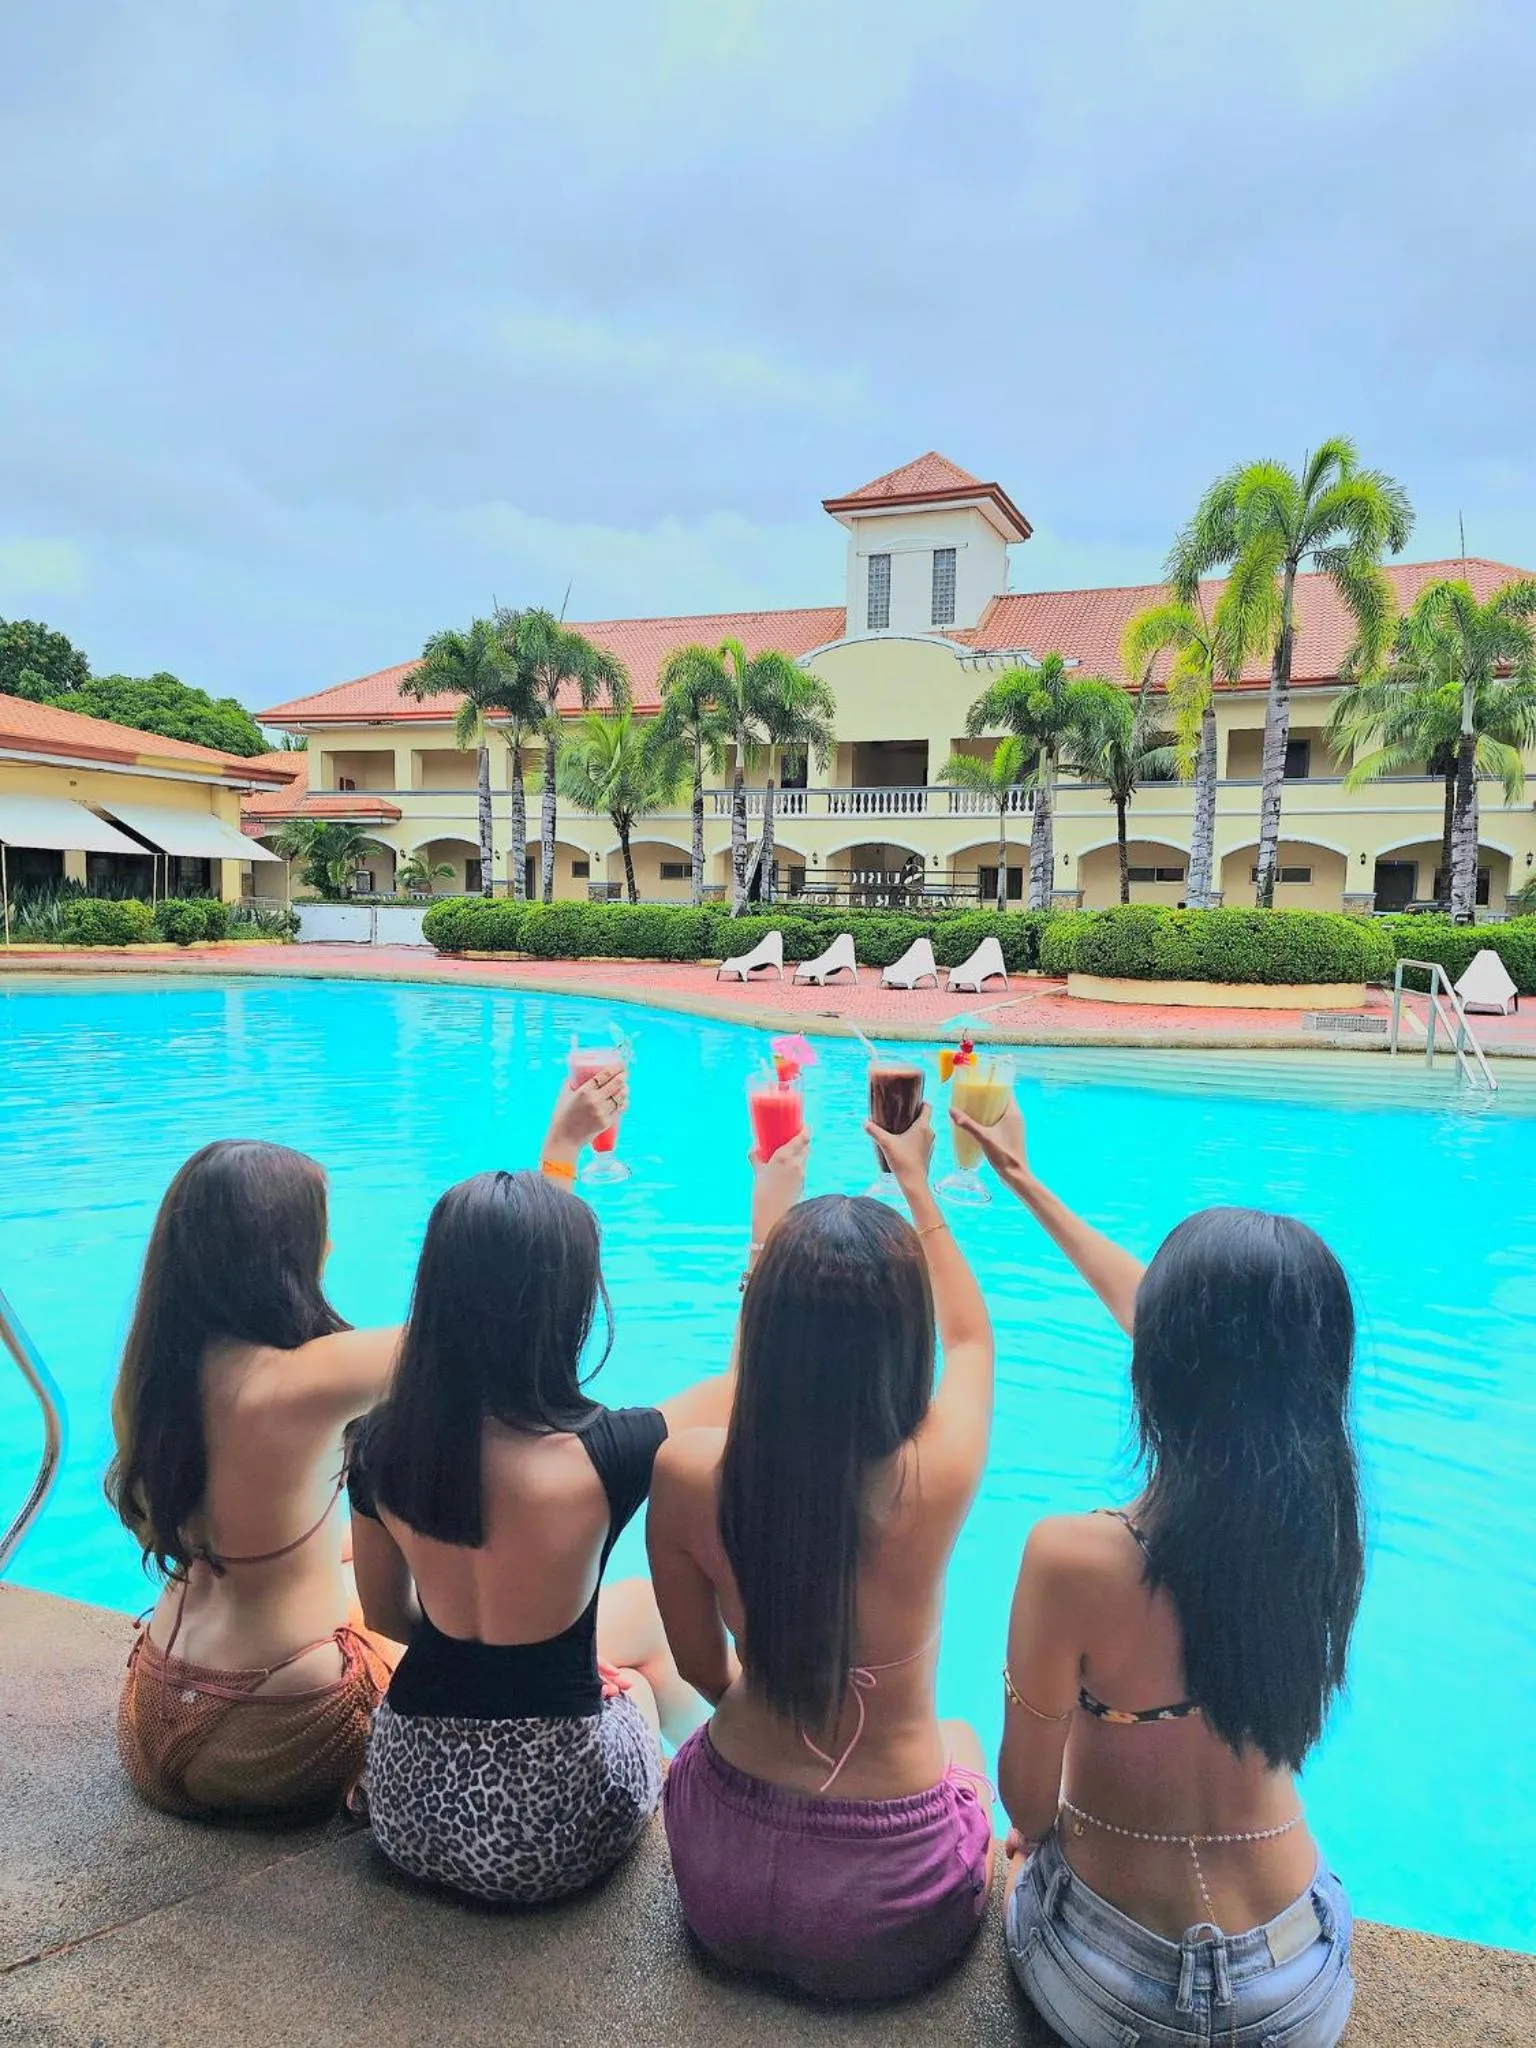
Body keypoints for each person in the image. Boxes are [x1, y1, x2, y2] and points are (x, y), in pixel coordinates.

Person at [955, 1099, 1363, 2048]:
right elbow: (1221, 1359)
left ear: (1155, 1375)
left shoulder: (1076, 1557)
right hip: (1299, 1981)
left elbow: (1027, 1808)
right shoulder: (1323, 1534)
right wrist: (1022, 1182)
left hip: (1113, 1984)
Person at [346, 1064, 773, 1906]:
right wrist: (766, 1226)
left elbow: (388, 1615)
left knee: (617, 1629)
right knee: (647, 1674)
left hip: (405, 1805)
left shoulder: (381, 1447)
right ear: (568, 1308)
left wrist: (558, 1153)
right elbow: (749, 1385)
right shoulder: (605, 1453)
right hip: (547, 1834)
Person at [648, 1106, 996, 2001]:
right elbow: (969, 1339)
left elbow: (699, 1667)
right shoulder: (936, 1477)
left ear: (762, 1331)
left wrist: (766, 1229)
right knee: (961, 1739)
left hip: (715, 1867)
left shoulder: (688, 1475)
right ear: (900, 1343)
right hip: (890, 1904)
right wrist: (918, 1183)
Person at [107, 1138, 401, 1820]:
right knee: (446, 1624)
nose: (329, 1247)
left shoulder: (153, 1372)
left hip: (152, 1710)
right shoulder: (303, 1381)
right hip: (275, 1731)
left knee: (365, 1559)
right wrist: (561, 1156)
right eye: (321, 1229)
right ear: (285, 1252)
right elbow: (472, 1332)